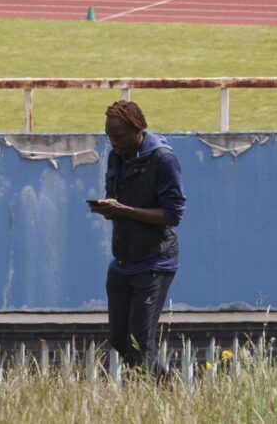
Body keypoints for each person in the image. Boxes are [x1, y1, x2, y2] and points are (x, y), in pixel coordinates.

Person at [88, 98, 185, 373]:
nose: (113, 143)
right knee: (119, 340)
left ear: (138, 129)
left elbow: (172, 215)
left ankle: (154, 393)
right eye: (108, 137)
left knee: (141, 340)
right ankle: (163, 384)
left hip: (155, 262)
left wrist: (125, 210)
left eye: (118, 136)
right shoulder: (115, 157)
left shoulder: (164, 160)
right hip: (123, 261)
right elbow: (116, 199)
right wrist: (108, 207)